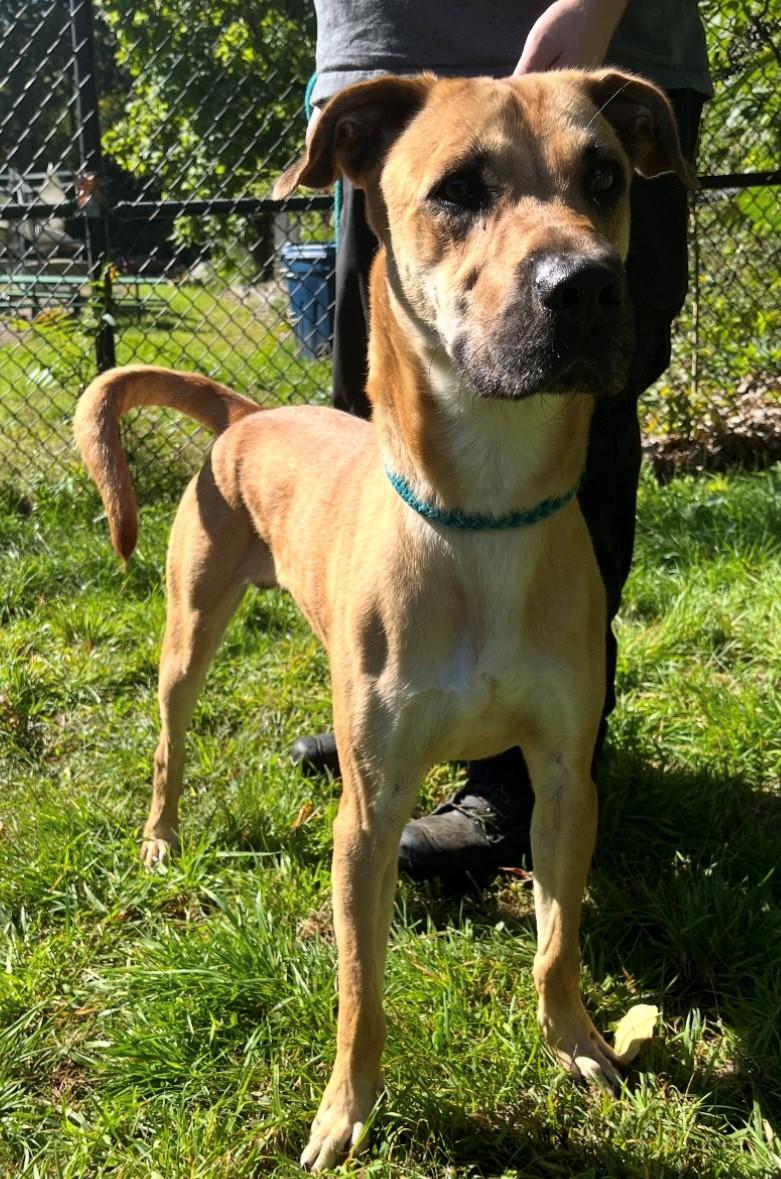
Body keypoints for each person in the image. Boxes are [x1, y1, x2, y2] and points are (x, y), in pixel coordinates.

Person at [291, 0, 712, 885]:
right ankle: (390, 703)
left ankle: (523, 767)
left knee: (590, 452)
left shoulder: (616, 104)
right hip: (384, 47)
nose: (569, 254)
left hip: (607, 31)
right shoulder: (386, 134)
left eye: (597, 183)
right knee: (378, 436)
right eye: (464, 195)